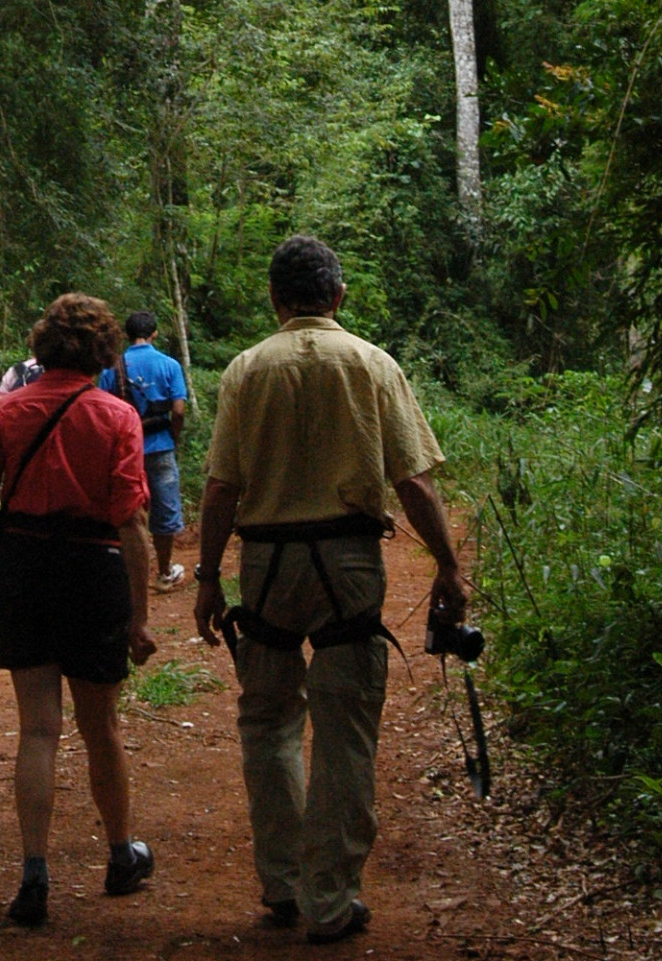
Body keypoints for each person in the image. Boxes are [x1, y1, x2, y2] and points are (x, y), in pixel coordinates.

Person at [191, 236, 470, 944]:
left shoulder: (245, 370)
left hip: (268, 566)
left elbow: (222, 486)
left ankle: (282, 881)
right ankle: (330, 897)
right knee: (345, 730)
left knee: (268, 720)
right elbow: (413, 481)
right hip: (347, 563)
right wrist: (447, 564)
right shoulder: (373, 364)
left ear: (276, 300)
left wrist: (206, 579)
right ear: (338, 296)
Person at [0, 293, 159, 926]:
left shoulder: (10, 410)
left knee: (37, 728)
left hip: (23, 567)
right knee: (103, 729)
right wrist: (139, 615)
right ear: (102, 352)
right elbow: (131, 522)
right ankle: (121, 855)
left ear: (44, 345)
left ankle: (34, 873)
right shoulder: (117, 416)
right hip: (93, 569)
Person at [98, 310, 190, 592]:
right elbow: (178, 410)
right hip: (160, 446)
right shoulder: (169, 365)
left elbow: (102, 408)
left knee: (128, 511)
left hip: (125, 451)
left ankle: (127, 575)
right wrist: (173, 435)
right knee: (164, 509)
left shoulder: (111, 369)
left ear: (126, 335)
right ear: (155, 333)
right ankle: (163, 572)